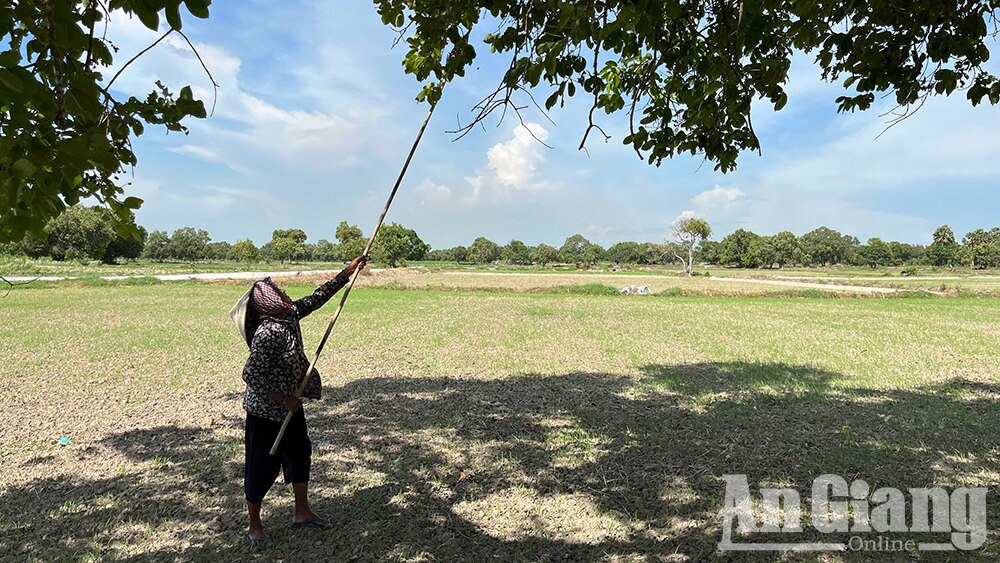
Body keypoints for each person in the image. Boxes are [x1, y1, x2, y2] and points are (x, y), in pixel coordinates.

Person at [229, 254, 368, 548]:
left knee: (301, 453)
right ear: (270, 303)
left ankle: (302, 512)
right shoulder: (268, 333)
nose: (284, 292)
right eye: (278, 291)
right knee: (260, 467)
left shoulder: (289, 315)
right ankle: (255, 525)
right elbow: (250, 374)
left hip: (291, 405)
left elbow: (317, 299)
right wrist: (281, 399)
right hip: (266, 411)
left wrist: (348, 272)